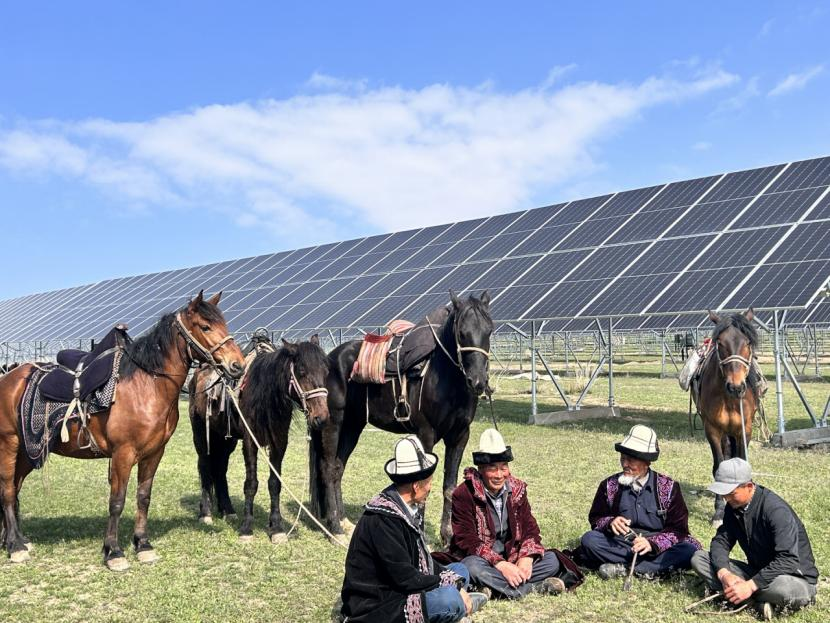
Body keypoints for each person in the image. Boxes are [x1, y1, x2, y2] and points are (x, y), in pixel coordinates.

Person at [340, 435, 488, 623]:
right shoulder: (383, 521)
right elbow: (405, 579)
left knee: (460, 570)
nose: (430, 488)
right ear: (416, 486)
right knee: (448, 598)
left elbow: (422, 562)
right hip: (378, 605)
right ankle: (458, 605)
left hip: (403, 584)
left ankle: (459, 603)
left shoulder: (401, 505)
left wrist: (454, 582)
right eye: (429, 482)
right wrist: (453, 588)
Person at [437, 429, 581, 599]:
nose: (499, 475)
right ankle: (532, 588)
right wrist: (500, 564)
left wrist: (526, 558)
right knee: (470, 567)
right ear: (481, 469)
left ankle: (494, 589)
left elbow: (530, 528)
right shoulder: (464, 493)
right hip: (482, 560)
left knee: (552, 560)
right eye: (493, 469)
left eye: (503, 468)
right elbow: (466, 539)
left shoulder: (517, 489)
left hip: (513, 556)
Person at [691, 458, 818, 619]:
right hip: (758, 574)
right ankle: (754, 602)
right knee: (699, 559)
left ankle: (743, 598)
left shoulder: (776, 510)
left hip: (793, 579)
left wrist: (750, 586)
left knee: (781, 589)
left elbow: (788, 560)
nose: (726, 499)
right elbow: (721, 541)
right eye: (723, 494)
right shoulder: (734, 506)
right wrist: (725, 574)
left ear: (749, 486)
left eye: (731, 493)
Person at [578, 425, 701, 579]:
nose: (625, 464)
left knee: (689, 549)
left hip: (657, 546)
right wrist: (610, 522)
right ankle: (647, 569)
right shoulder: (609, 485)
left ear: (647, 462)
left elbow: (679, 530)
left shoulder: (669, 488)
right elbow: (595, 519)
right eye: (623, 458)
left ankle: (624, 568)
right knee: (589, 540)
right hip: (622, 543)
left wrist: (652, 544)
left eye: (631, 460)